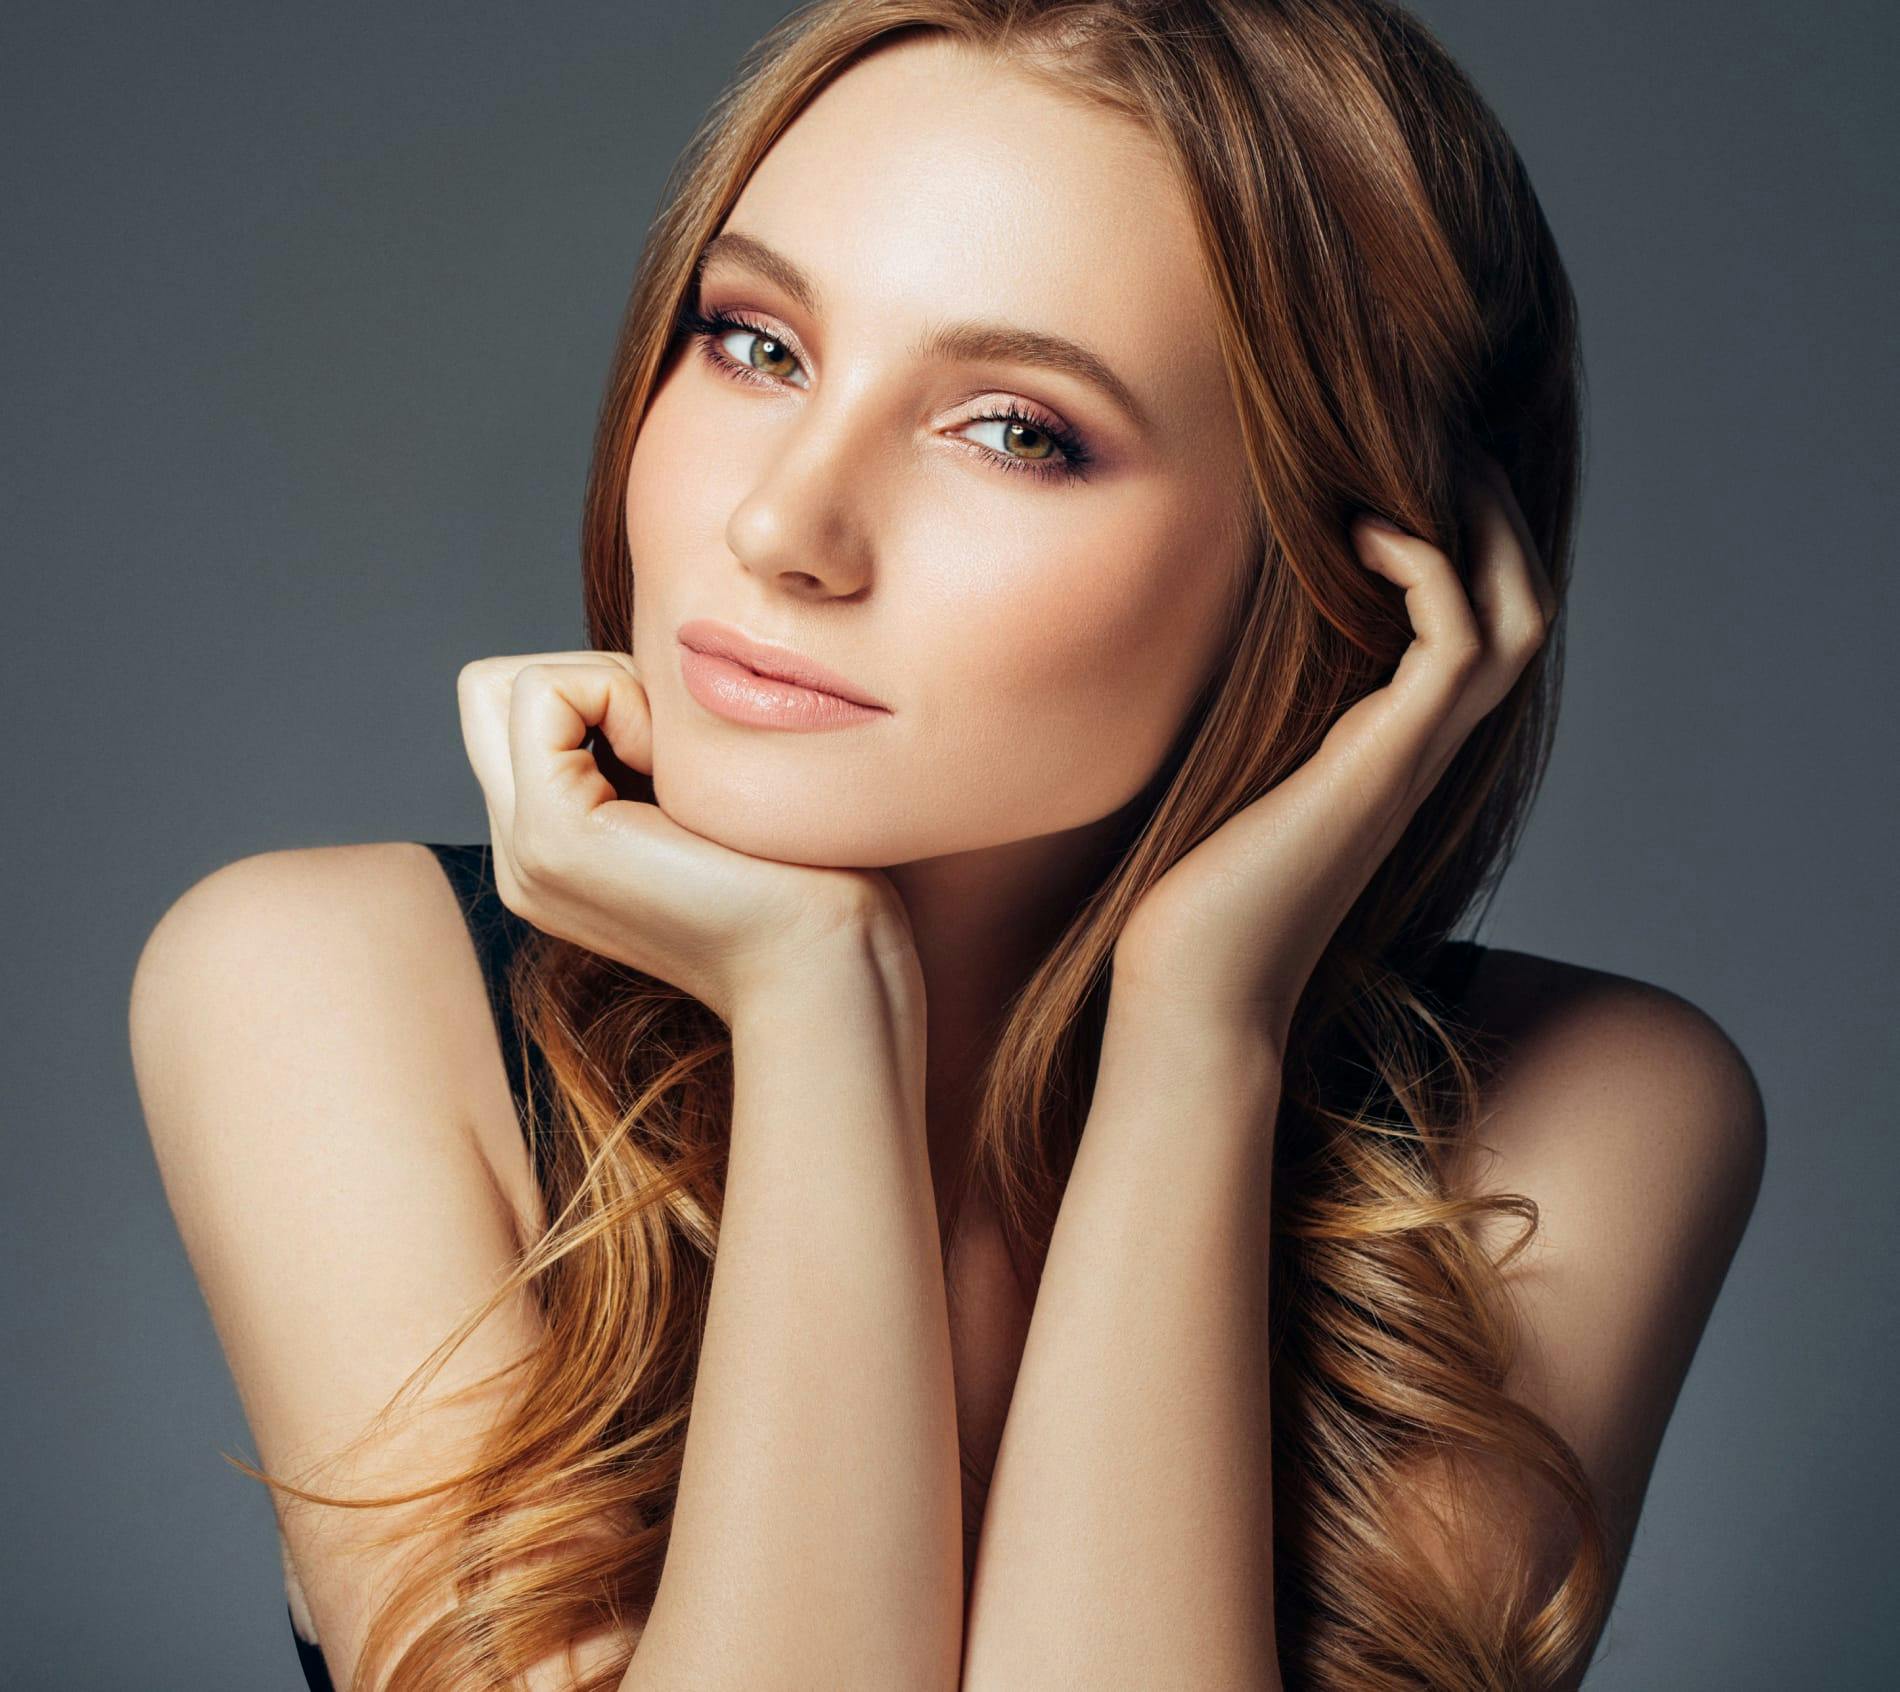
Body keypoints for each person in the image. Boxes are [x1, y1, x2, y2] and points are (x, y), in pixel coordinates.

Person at [128, 3, 1767, 1688]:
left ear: (1339, 581)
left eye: (1016, 430)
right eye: (756, 343)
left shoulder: (1593, 1113)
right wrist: (813, 1004)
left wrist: (1197, 1037)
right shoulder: (317, 989)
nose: (782, 527)